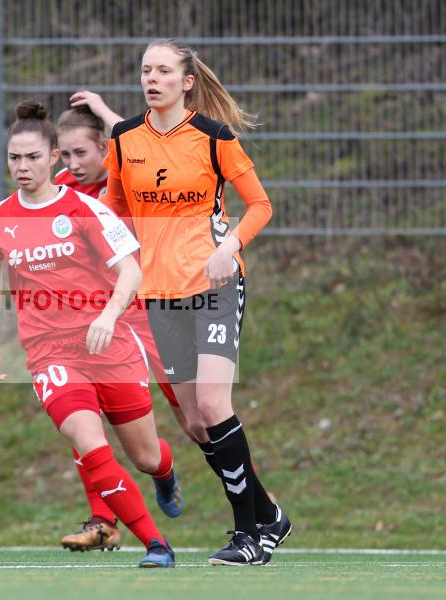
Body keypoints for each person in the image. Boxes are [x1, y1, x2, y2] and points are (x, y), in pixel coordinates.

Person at [99, 39, 292, 565]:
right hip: (159, 292)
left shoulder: (214, 138)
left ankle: (249, 533)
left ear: (186, 81)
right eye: (145, 70)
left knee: (213, 404)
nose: (152, 78)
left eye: (163, 70)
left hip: (213, 285)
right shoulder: (123, 140)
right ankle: (269, 516)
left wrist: (230, 245)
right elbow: (113, 210)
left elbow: (260, 205)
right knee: (196, 423)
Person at [0, 100, 176, 567]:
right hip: (50, 354)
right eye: (13, 158)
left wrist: (107, 316)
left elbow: (130, 272)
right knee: (90, 444)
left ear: (52, 158)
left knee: (145, 457)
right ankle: (156, 544)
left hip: (109, 346)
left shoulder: (84, 209)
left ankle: (165, 472)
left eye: (32, 157)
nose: (22, 167)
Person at [54, 99, 189, 552]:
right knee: (82, 417)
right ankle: (103, 522)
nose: (71, 164)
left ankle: (247, 497)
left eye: (81, 154)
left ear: (106, 150)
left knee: (194, 420)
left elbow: (149, 144)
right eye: (64, 154)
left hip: (146, 313)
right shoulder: (58, 191)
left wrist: (104, 110)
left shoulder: (128, 176)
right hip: (89, 325)